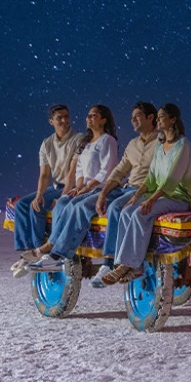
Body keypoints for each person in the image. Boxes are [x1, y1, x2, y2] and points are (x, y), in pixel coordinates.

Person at [96, 103, 191, 286]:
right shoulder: (160, 147)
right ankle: (123, 263)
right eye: (158, 116)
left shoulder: (182, 145)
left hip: (178, 197)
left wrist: (150, 200)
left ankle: (131, 265)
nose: (158, 120)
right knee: (127, 211)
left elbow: (172, 179)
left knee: (140, 213)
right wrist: (136, 197)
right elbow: (151, 177)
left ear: (173, 120)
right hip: (160, 195)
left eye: (162, 117)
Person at [27, 105, 118, 271]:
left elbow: (107, 170)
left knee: (79, 207)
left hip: (102, 188)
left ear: (103, 120)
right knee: (62, 202)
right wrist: (80, 186)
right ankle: (51, 244)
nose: (88, 118)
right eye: (88, 115)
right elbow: (80, 169)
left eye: (93, 115)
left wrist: (87, 187)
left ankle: (57, 254)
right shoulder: (86, 143)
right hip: (86, 188)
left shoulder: (107, 141)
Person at [10, 104, 84, 277]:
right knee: (22, 204)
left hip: (72, 187)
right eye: (59, 118)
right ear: (51, 121)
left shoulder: (79, 139)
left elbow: (73, 173)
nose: (64, 120)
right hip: (57, 186)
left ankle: (40, 252)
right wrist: (39, 195)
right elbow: (44, 174)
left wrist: (62, 196)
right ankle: (27, 251)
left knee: (37, 207)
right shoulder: (47, 144)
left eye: (66, 116)